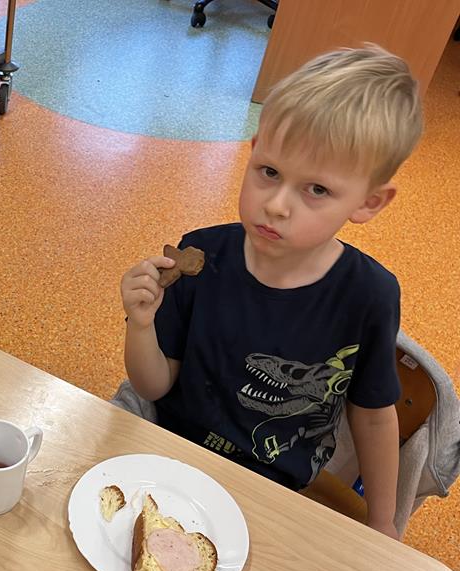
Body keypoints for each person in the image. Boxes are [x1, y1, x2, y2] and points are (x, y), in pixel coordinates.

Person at [119, 45, 423, 540]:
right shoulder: (202, 254)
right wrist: (141, 323)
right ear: (255, 148)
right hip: (170, 453)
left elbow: (372, 417)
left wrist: (383, 522)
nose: (277, 205)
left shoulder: (369, 295)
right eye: (269, 172)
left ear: (369, 202)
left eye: (317, 189)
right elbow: (153, 387)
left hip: (272, 490)